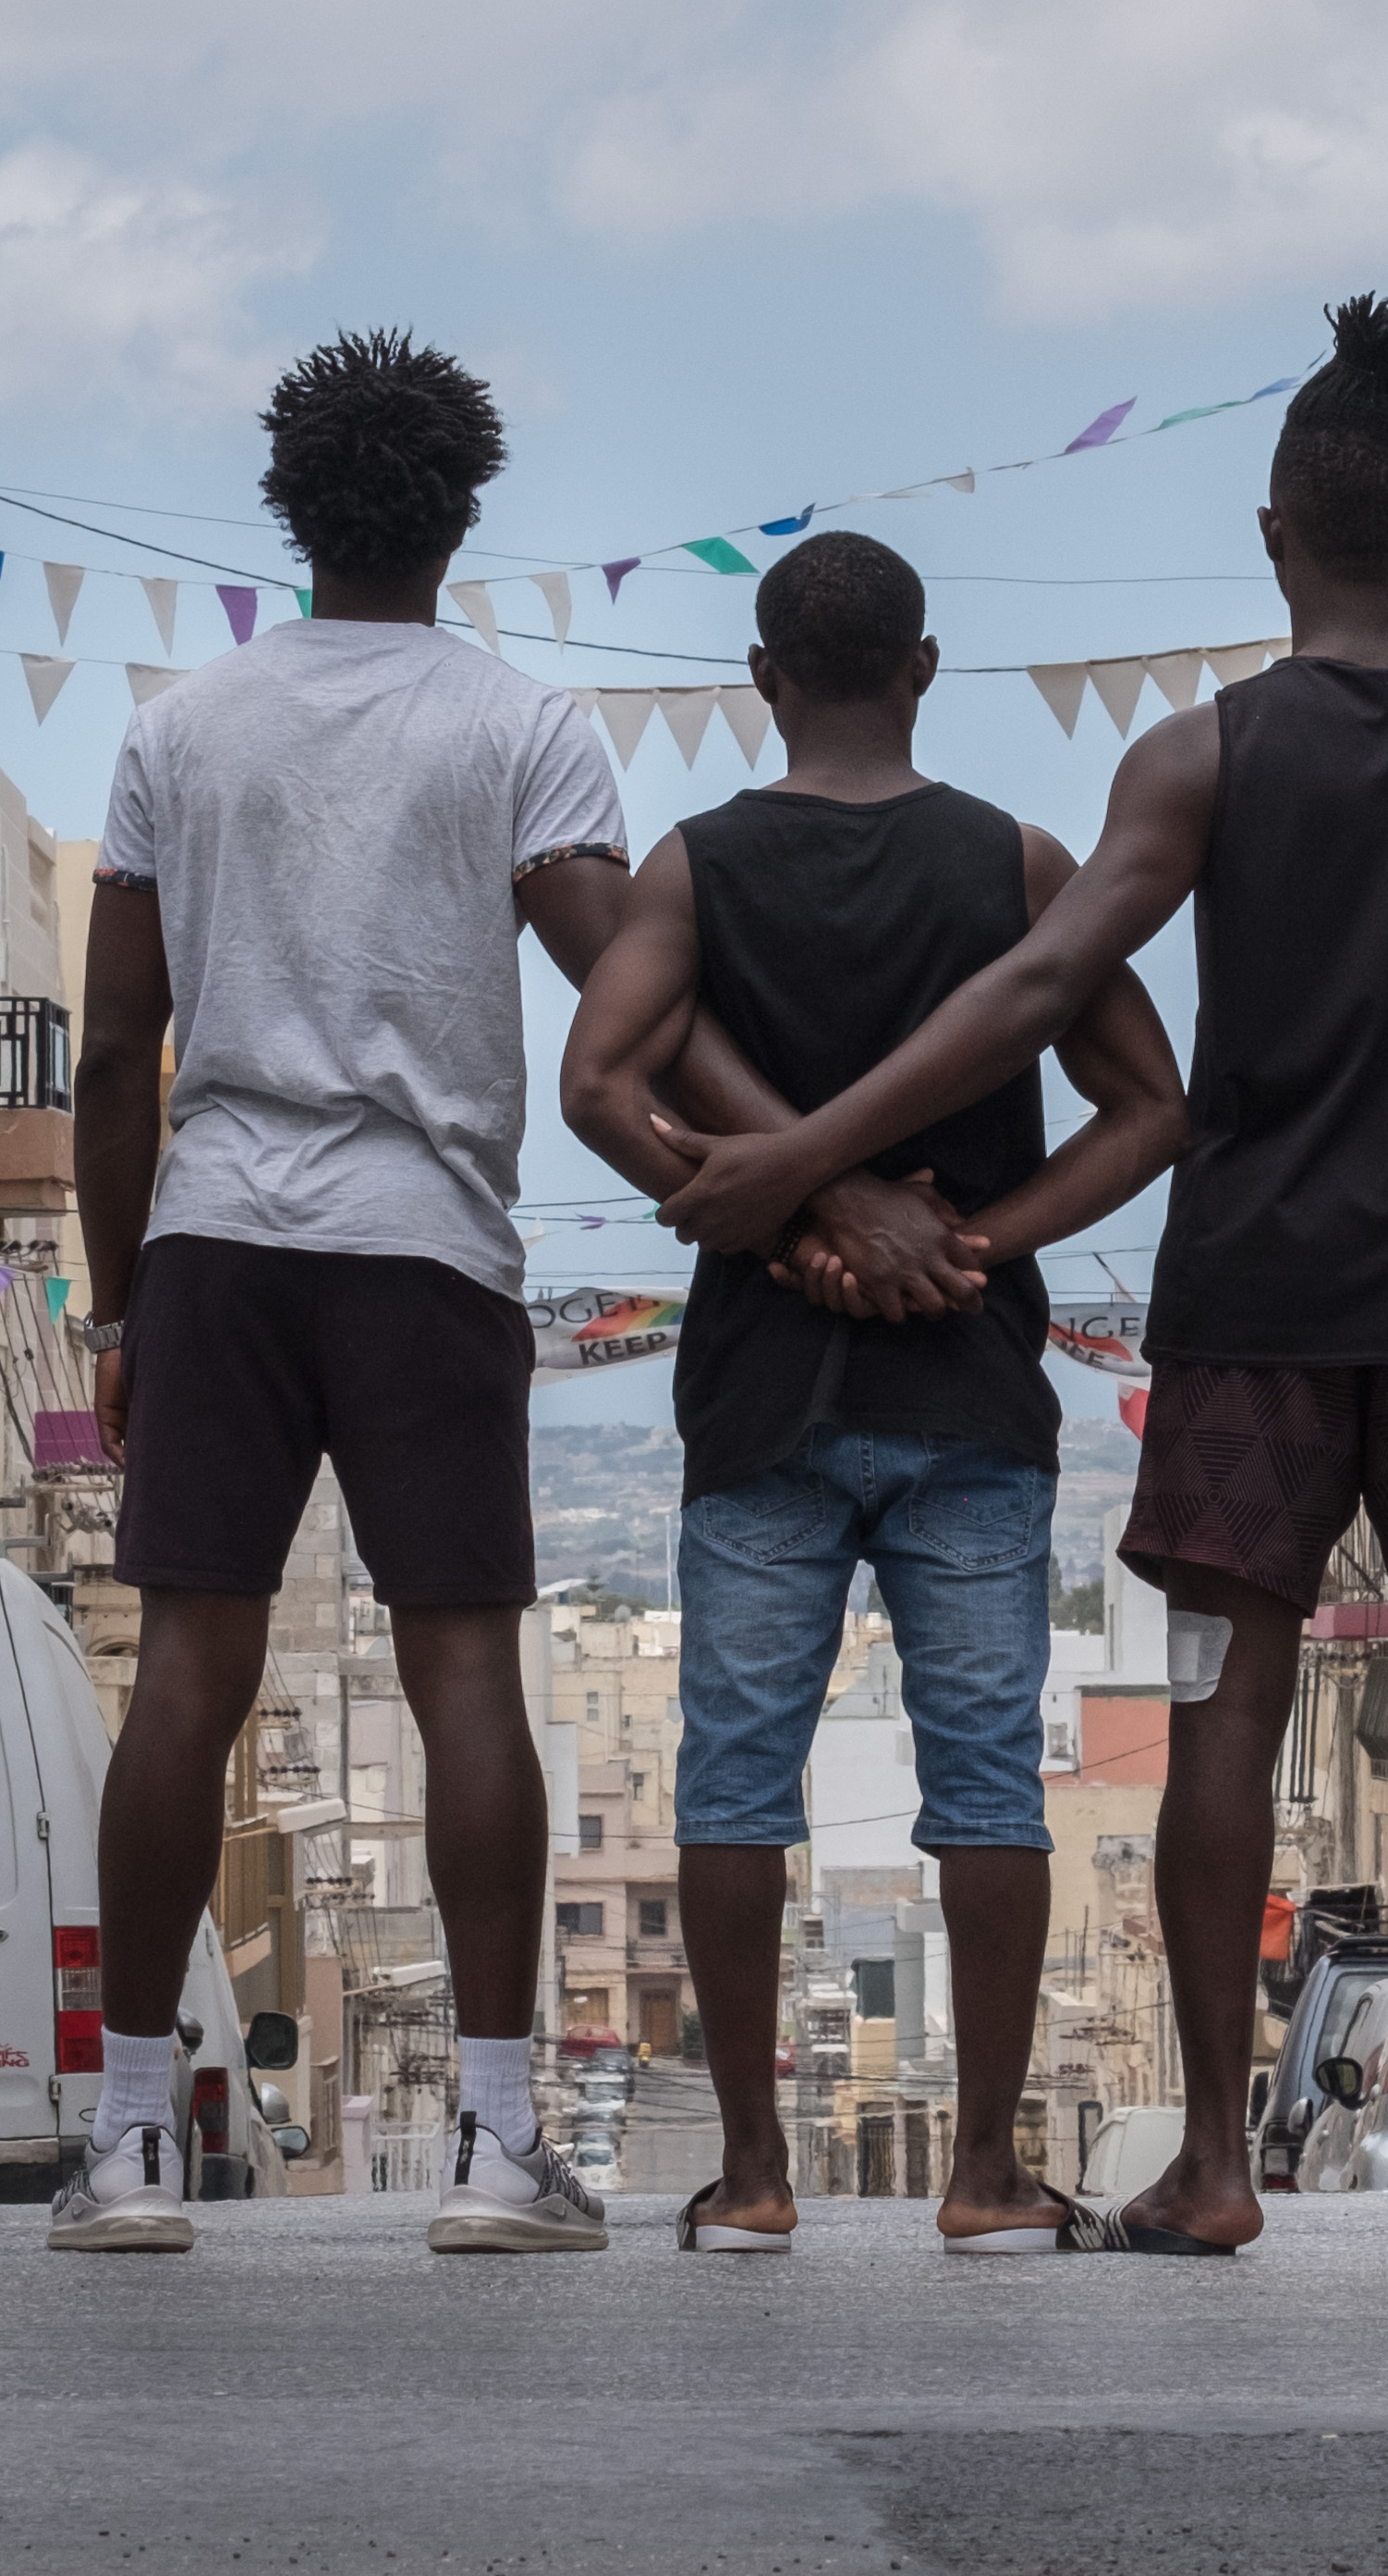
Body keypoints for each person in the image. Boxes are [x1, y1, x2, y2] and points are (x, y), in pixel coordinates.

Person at [655, 289, 1388, 2257]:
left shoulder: (1203, 754)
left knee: (1223, 1701)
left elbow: (1045, 985)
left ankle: (1216, 2165)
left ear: (1275, 537)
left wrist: (804, 1156)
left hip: (1255, 1306)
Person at [56, 334, 967, 2256]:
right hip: (424, 1246)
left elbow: (117, 1049)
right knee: (464, 1668)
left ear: (287, 506)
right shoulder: (523, 728)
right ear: (464, 514)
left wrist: (122, 1312)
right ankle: (494, 2144)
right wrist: (819, 1176)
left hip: (215, 1239)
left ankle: (128, 2145)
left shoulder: (173, 730)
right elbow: (633, 1000)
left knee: (188, 1674)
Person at [558, 531, 1188, 2254]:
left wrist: (772, 1226)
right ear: (925, 668)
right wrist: (967, 1246)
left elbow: (596, 1084)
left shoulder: (695, 866)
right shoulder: (1017, 862)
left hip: (759, 1392)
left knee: (733, 1785)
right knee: (986, 1784)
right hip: (967, 1389)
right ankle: (984, 2175)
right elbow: (1153, 1104)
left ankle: (756, 2175)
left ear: (762, 681)